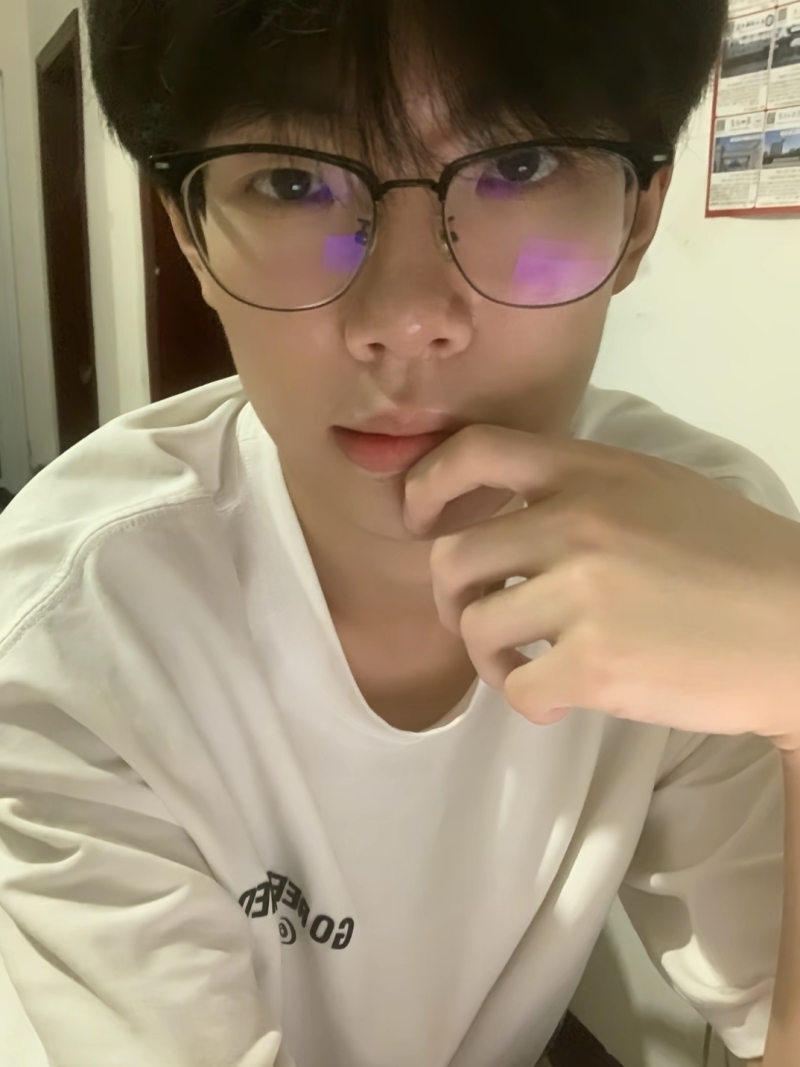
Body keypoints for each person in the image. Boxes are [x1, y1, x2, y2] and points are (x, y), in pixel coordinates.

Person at [1, 1, 800, 1065]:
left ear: (639, 220)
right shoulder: (70, 638)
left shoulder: (697, 547)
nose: (406, 317)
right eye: (293, 181)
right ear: (188, 233)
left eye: (517, 166)